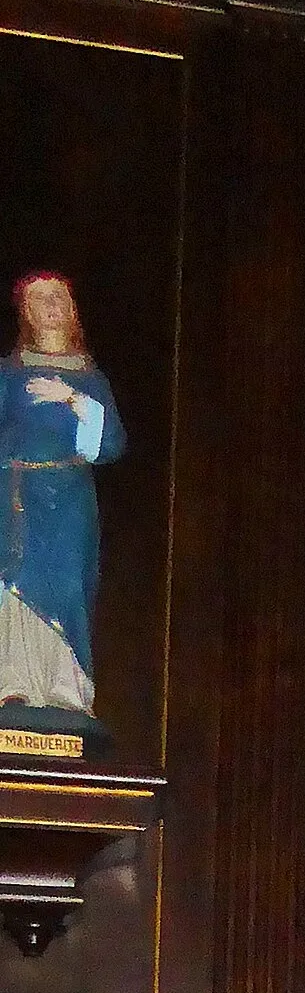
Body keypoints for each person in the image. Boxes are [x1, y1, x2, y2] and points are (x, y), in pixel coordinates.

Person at [0, 273, 126, 730]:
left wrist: (73, 399)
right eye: (41, 299)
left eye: (60, 297)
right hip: (17, 498)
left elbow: (109, 444)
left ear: (71, 310)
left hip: (70, 501)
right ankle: (10, 681)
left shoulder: (90, 378)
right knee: (14, 582)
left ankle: (65, 690)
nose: (52, 305)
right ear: (27, 313)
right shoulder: (9, 374)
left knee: (69, 587)